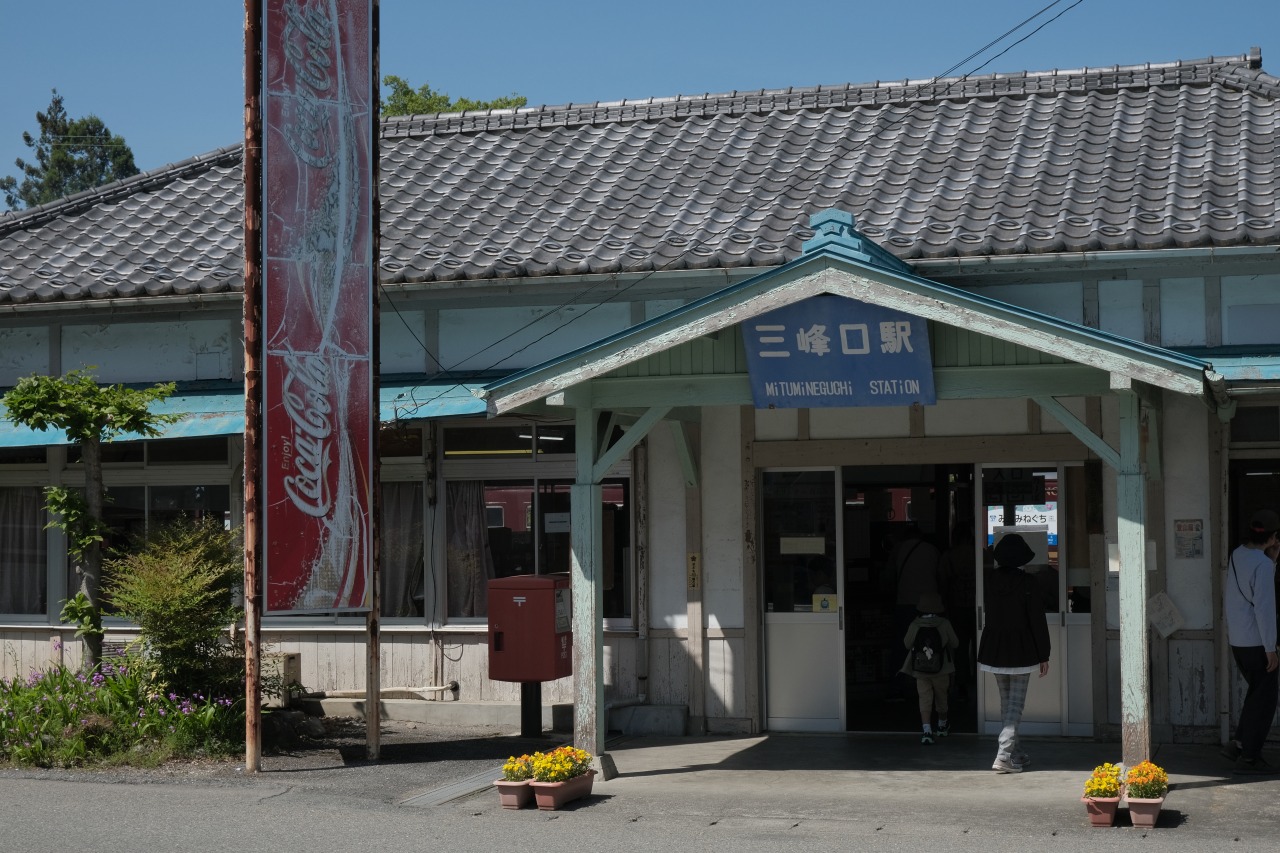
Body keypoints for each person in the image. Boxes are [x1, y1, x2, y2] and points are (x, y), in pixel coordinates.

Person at [976, 532, 1050, 774]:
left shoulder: (989, 580)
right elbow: (1037, 620)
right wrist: (1044, 654)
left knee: (1007, 703)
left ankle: (1017, 753)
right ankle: (1004, 754)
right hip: (1021, 649)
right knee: (1015, 706)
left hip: (994, 648)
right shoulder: (1029, 583)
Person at [1222, 509, 1280, 774]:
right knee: (1265, 699)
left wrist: (1273, 561)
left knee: (1256, 694)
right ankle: (1250, 755)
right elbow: (1264, 609)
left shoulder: (1238, 554)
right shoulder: (1263, 565)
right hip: (1257, 642)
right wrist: (1271, 649)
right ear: (1271, 537)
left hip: (1238, 640)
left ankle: (1238, 743)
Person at [900, 591, 959, 744]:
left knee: (924, 699)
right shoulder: (944, 623)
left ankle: (926, 731)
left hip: (920, 669)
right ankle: (941, 726)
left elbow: (906, 644)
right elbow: (955, 643)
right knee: (942, 697)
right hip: (942, 668)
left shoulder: (915, 624)